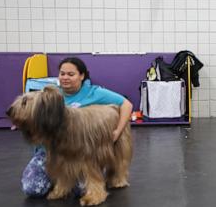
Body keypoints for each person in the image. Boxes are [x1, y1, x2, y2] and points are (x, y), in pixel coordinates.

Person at [21, 57, 133, 197]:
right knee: (32, 188)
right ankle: (59, 180)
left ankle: (88, 175)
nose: (65, 78)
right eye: (62, 74)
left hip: (81, 151)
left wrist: (117, 131)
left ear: (82, 76)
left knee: (79, 190)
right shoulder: (50, 96)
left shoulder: (93, 92)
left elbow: (126, 105)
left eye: (71, 74)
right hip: (51, 152)